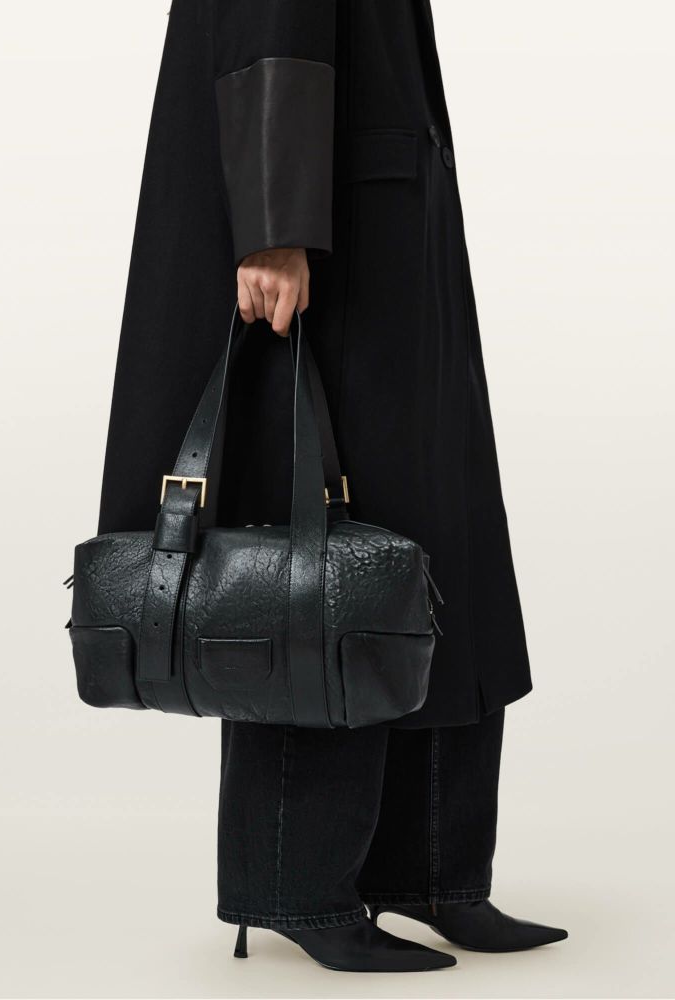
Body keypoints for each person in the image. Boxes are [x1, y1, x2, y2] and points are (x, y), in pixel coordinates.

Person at [98, 0, 567, 972]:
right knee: (312, 572)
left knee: (430, 542)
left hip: (382, 221)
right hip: (323, 233)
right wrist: (273, 227)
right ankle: (296, 885)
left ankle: (431, 871)